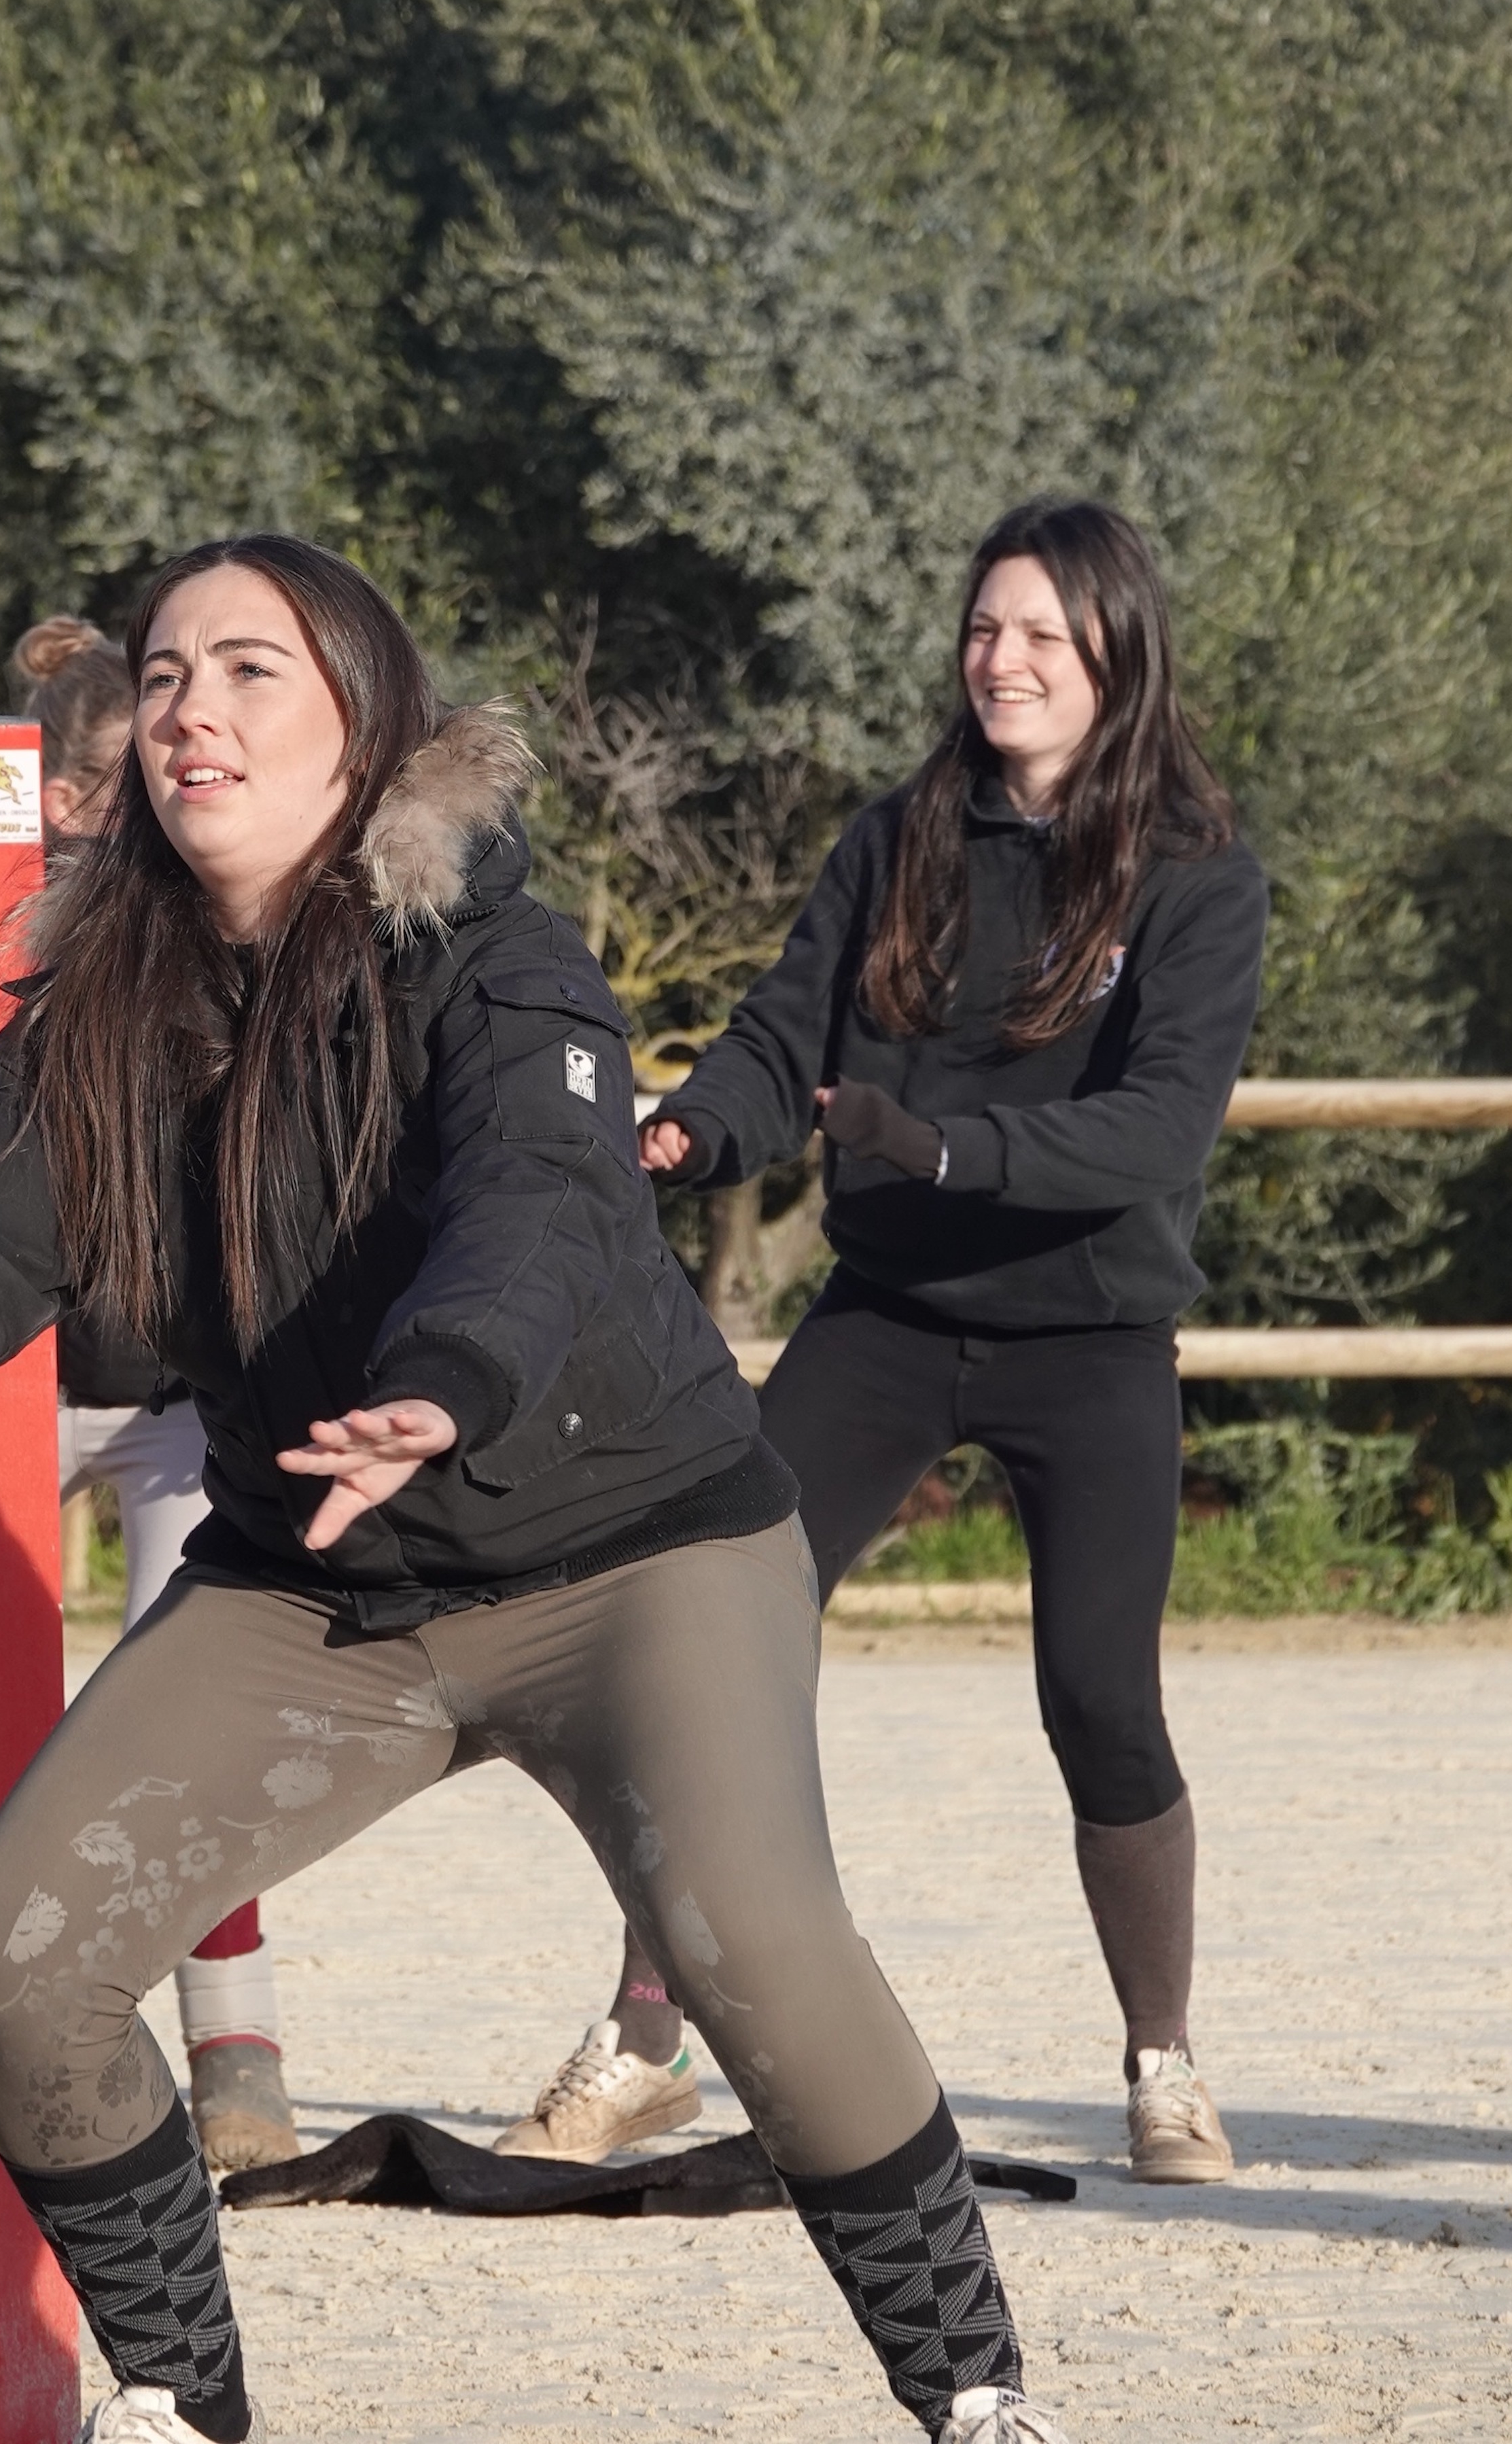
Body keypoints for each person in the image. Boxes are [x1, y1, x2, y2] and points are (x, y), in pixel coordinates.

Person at [0, 534, 1076, 2444]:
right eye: (164, 675)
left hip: (636, 1556)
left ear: (364, 725)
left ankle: (978, 2395)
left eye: (249, 670)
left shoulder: (504, 961)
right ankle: (184, 2404)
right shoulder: (100, 1008)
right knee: (22, 1957)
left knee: (753, 1951)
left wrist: (442, 1389)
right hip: (323, 1586)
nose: (191, 709)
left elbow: (542, 1207)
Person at [499, 498, 1267, 2193]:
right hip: (891, 1323)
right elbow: (784, 1041)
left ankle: (1162, 2063)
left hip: (1092, 1335)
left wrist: (940, 1148)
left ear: (1119, 655)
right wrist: (696, 1130)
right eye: (986, 629)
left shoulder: (1199, 873)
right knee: (711, 1642)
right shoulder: (898, 838)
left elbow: (1158, 1129)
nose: (1004, 660)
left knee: (1101, 1700)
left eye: (1043, 635)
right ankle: (646, 2039)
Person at [22, 614, 299, 2172]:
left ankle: (236, 2047)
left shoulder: (230, 916)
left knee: (191, 1718)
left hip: (184, 1394)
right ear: (66, 799)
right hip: (1, 1379)